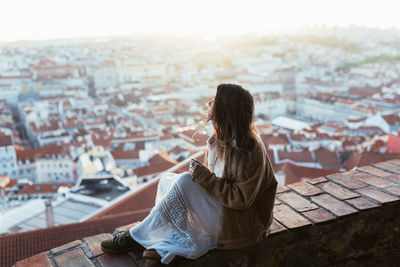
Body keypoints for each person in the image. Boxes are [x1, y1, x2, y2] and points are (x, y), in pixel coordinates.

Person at [101, 83, 278, 265]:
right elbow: (216, 184)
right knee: (168, 180)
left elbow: (241, 199)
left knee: (185, 181)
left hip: (241, 225)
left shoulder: (249, 149)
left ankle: (135, 236)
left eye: (214, 101)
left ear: (226, 109)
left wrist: (203, 177)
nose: (209, 104)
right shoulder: (218, 140)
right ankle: (155, 236)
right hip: (225, 213)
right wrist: (203, 178)